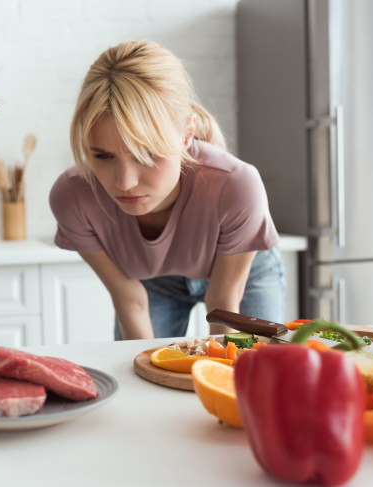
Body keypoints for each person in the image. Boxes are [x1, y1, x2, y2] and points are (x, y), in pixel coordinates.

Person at [49, 40, 285, 339]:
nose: (125, 183)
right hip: (154, 276)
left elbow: (223, 303)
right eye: (104, 156)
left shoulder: (236, 186)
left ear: (187, 134)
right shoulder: (74, 199)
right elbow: (128, 298)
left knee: (253, 371)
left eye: (147, 155)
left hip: (245, 273)